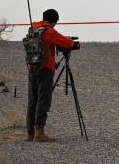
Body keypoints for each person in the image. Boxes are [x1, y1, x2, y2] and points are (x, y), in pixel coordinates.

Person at [24, 8, 79, 142]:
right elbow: (68, 44)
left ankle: (30, 133)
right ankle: (39, 132)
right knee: (43, 100)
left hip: (32, 67)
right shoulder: (49, 31)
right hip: (45, 68)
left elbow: (53, 40)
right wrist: (73, 43)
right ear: (54, 21)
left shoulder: (34, 29)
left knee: (33, 101)